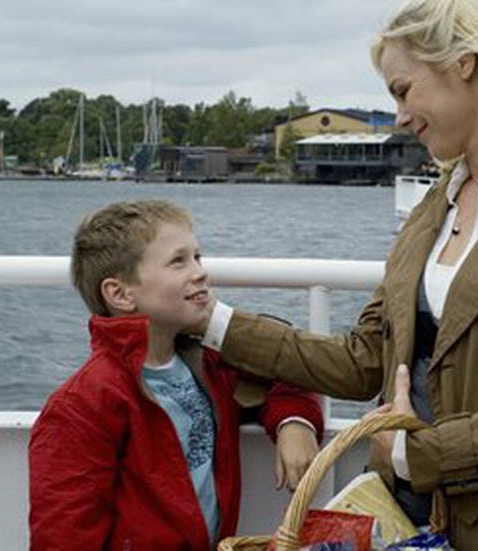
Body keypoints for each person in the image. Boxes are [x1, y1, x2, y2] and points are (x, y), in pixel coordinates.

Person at [198, 0, 478, 549]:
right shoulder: (435, 206)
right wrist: (213, 324)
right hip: (416, 521)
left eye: (403, 90)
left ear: (464, 63)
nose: (400, 116)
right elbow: (364, 361)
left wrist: (415, 453)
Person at [28, 199, 323, 551]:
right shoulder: (83, 405)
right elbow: (63, 536)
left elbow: (283, 369)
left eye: (197, 257)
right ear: (120, 294)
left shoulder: (209, 365)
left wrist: (295, 422)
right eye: (178, 261)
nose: (199, 272)